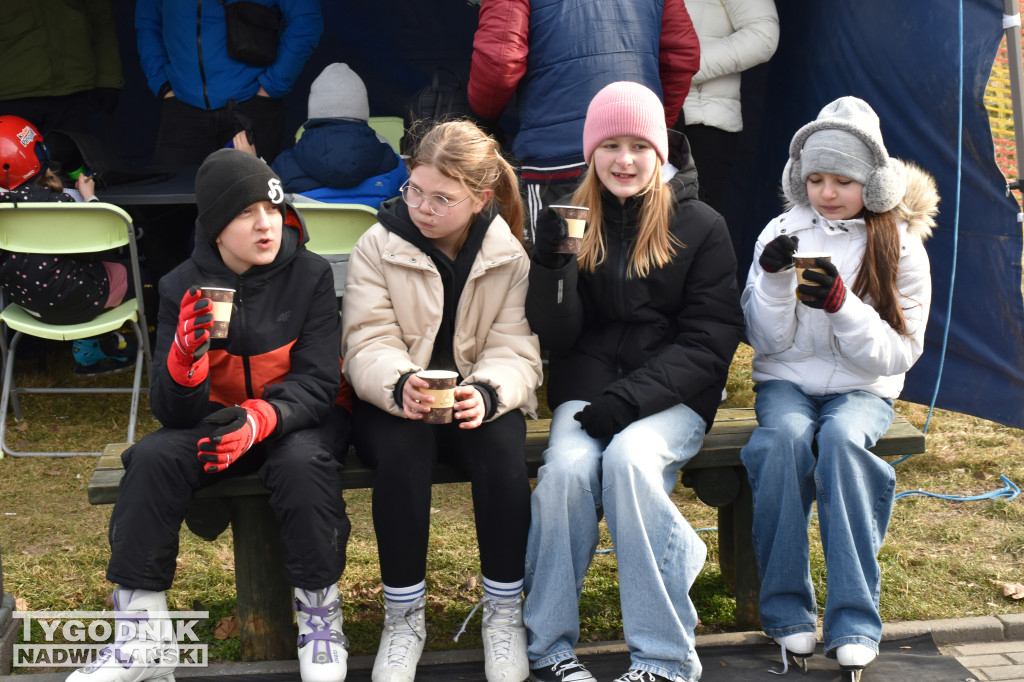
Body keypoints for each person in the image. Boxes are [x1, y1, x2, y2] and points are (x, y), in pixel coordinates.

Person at [64, 149, 353, 682]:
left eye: (272, 208)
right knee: (150, 458)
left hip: (296, 422)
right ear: (217, 226)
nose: (266, 224)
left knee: (301, 464)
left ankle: (320, 615)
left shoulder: (310, 274)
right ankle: (144, 638)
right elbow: (172, 414)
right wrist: (183, 363)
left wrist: (260, 419)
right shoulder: (178, 285)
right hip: (216, 426)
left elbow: (319, 383)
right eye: (246, 213)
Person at [524, 81, 745, 682]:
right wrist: (551, 267)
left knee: (629, 462)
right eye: (611, 145)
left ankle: (665, 658)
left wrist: (626, 401)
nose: (625, 159)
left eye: (639, 146)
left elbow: (709, 342)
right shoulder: (573, 216)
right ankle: (547, 647)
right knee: (566, 472)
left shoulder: (700, 225)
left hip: (672, 397)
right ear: (592, 153)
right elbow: (559, 337)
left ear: (660, 152)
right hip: (590, 391)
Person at [740, 96, 938, 678]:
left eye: (844, 180)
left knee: (846, 447)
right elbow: (764, 341)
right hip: (787, 382)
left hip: (863, 388)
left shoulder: (901, 246)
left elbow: (901, 350)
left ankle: (854, 618)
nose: (828, 192)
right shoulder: (781, 229)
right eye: (817, 179)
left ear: (872, 184)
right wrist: (774, 282)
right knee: (782, 443)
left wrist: (842, 306)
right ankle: (786, 612)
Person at [341, 120, 542, 682]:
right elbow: (365, 340)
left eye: (442, 198)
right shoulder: (377, 245)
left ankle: (504, 614)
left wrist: (487, 392)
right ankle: (403, 618)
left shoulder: (509, 255)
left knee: (503, 450)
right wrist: (400, 381)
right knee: (403, 451)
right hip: (396, 402)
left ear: (480, 199)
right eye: (415, 190)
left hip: (474, 397)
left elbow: (516, 349)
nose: (423, 207)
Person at [467, 0, 700, 245]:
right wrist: (646, 132)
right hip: (633, 164)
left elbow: (500, 65)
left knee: (560, 266)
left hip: (559, 166)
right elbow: (682, 56)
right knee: (634, 268)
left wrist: (483, 116)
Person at [0, 115, 136, 374]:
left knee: (62, 275)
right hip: (79, 300)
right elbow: (100, 247)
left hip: (25, 307)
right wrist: (89, 197)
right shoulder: (58, 204)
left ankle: (88, 347)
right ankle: (104, 345)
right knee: (138, 273)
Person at [136, 0, 322, 165]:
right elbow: (147, 22)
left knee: (252, 199)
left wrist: (270, 87)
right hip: (182, 107)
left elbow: (306, 21)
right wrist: (162, 84)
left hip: (252, 104)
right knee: (172, 199)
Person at [233, 62, 408, 208]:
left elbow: (264, 205)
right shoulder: (391, 163)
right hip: (371, 249)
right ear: (363, 108)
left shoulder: (285, 164)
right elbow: (411, 201)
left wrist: (253, 165)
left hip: (306, 249)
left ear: (314, 108)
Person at [679, 0, 779, 213]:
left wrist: (685, 68)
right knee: (614, 214)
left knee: (687, 227)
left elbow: (763, 36)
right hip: (633, 112)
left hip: (702, 122)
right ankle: (586, 242)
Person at [0, 1, 123, 135]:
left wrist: (108, 79)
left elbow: (101, 20)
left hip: (73, 91)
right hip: (12, 95)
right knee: (14, 154)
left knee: (69, 153)